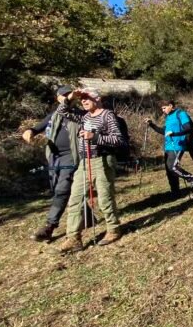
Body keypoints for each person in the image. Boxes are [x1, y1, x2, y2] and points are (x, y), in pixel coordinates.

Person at [57, 88, 125, 253]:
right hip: (84, 162)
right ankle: (73, 238)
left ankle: (113, 229)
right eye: (82, 100)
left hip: (102, 160)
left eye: (87, 98)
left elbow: (118, 139)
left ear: (97, 99)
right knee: (75, 199)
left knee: (105, 198)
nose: (84, 101)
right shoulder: (84, 116)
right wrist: (71, 97)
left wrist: (94, 137)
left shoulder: (107, 115)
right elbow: (62, 111)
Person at [21, 85, 90, 242]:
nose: (67, 97)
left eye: (69, 94)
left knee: (62, 189)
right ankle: (88, 216)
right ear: (57, 98)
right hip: (53, 157)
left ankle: (49, 227)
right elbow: (38, 127)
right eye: (63, 95)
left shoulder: (80, 114)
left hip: (72, 157)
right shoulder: (53, 115)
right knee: (61, 189)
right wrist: (30, 131)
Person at [144, 100, 193, 198]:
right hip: (168, 146)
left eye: (164, 108)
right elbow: (164, 131)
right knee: (169, 171)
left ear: (170, 105)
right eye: (162, 109)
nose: (163, 110)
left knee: (173, 167)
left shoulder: (181, 114)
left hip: (178, 145)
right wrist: (151, 124)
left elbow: (188, 128)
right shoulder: (168, 117)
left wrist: (175, 134)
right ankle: (175, 192)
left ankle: (191, 178)